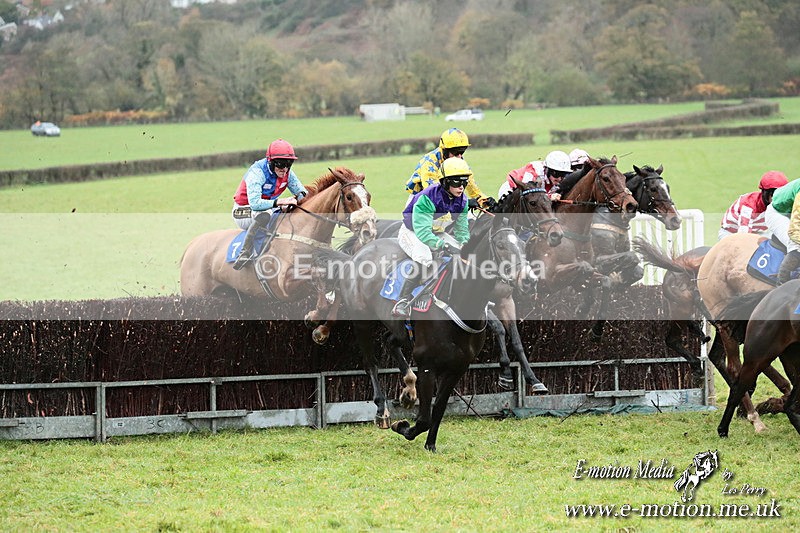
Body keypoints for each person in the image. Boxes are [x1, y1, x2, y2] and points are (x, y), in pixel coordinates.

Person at [393, 157, 471, 317]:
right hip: (413, 232)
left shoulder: (462, 200)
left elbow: (462, 229)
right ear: (445, 182)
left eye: (465, 182)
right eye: (456, 182)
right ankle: (402, 300)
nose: (461, 187)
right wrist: (443, 246)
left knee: (464, 254)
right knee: (424, 258)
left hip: (435, 231)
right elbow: (422, 233)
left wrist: (464, 243)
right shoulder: (427, 197)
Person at [231, 139, 308, 270]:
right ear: (270, 162)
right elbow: (255, 204)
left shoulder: (287, 173)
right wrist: (280, 202)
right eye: (281, 164)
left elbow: (303, 194)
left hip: (268, 208)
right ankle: (245, 252)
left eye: (289, 164)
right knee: (264, 214)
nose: (285, 169)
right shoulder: (257, 173)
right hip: (243, 211)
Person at [406, 127, 496, 210]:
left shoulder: (458, 161)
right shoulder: (429, 163)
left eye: (462, 152)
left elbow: (471, 185)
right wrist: (466, 203)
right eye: (455, 152)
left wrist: (483, 200)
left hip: (448, 198)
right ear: (444, 149)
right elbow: (434, 194)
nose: (459, 156)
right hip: (421, 200)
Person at [718, 170, 788, 240]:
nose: (776, 198)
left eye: (780, 194)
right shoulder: (748, 205)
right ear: (765, 193)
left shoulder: (782, 204)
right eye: (773, 194)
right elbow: (743, 236)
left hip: (757, 232)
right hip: (730, 233)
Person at [497, 150, 572, 200]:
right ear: (547, 169)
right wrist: (549, 197)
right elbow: (528, 195)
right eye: (556, 174)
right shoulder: (534, 171)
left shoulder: (555, 179)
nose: (559, 178)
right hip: (511, 190)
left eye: (563, 174)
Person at [765, 177, 800, 283]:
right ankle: (781, 285)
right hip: (778, 213)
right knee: (796, 245)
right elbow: (794, 230)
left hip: (793, 210)